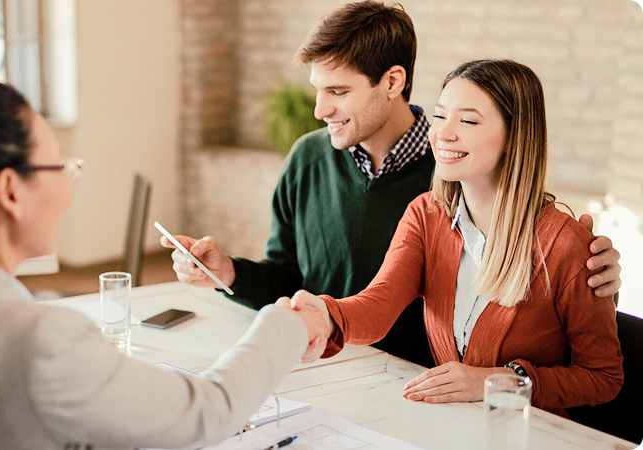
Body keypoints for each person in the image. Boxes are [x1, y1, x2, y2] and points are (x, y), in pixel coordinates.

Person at [0, 77, 327, 449]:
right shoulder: (38, 342)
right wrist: (283, 325)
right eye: (59, 166)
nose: (69, 183)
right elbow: (212, 411)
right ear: (11, 191)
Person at [162, 1, 622, 369]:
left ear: (392, 82)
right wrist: (229, 272)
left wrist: (598, 274)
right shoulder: (309, 159)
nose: (320, 109)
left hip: (420, 378)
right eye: (317, 90)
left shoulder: (459, 174)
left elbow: (552, 300)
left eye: (338, 92)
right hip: (326, 357)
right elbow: (296, 279)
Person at [286, 59, 623, 416]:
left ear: (515, 136)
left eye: (468, 120)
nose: (443, 133)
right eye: (441, 116)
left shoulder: (568, 245)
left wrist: (499, 380)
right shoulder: (426, 215)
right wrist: (323, 314)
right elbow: (378, 304)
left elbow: (603, 377)